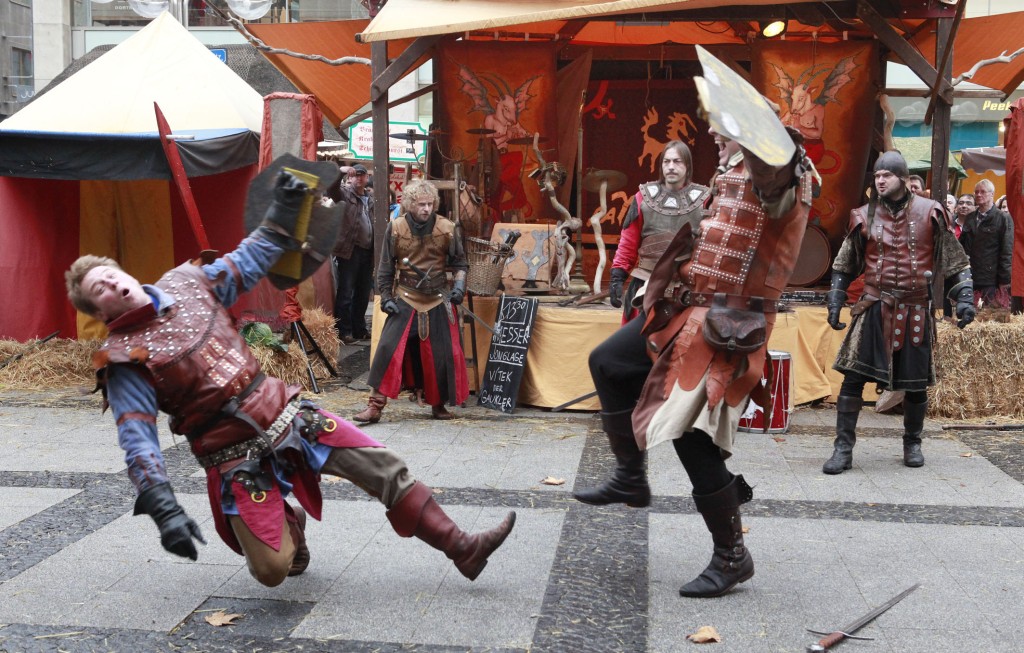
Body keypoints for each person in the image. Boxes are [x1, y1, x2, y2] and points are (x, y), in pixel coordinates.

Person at [64, 165, 514, 588]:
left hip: (288, 415)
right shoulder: (123, 360)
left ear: (123, 272)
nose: (111, 284)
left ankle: (463, 548)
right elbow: (137, 438)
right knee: (272, 570)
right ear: (98, 311)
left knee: (385, 467)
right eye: (99, 289)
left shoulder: (187, 282)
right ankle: (290, 526)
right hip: (232, 453)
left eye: (110, 275)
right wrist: (161, 502)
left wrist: (284, 211)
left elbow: (250, 258)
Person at [577, 117, 815, 599]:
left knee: (691, 439)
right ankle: (630, 477)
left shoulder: (780, 171)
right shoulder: (733, 172)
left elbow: (778, 186)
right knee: (608, 362)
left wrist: (768, 139)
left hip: (728, 323)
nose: (712, 134)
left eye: (723, 124)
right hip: (687, 310)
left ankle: (731, 555)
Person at [823, 151, 974, 475]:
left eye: (886, 175)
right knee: (852, 378)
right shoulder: (863, 214)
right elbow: (845, 263)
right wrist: (835, 300)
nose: (880, 180)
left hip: (915, 309)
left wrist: (964, 299)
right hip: (873, 307)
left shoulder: (931, 212)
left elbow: (955, 260)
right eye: (877, 175)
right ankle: (842, 449)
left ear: (904, 179)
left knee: (915, 385)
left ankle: (912, 443)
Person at [354, 178, 469, 423]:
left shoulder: (447, 228)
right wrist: (386, 297)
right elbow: (385, 267)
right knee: (387, 349)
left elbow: (460, 264)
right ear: (409, 204)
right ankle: (375, 405)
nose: (426, 209)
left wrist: (459, 288)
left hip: (438, 296)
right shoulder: (396, 228)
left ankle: (437, 404)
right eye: (421, 204)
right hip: (406, 295)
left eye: (430, 204)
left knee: (441, 354)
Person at [608, 141, 710, 322]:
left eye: (677, 161)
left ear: (687, 165)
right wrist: (617, 277)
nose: (671, 166)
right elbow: (628, 242)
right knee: (636, 338)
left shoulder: (705, 200)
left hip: (685, 291)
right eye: (666, 161)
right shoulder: (643, 197)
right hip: (645, 285)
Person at [329, 164, 375, 344]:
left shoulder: (371, 199)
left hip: (368, 250)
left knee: (363, 293)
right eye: (355, 175)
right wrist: (340, 171)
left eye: (362, 175)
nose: (359, 178)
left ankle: (359, 329)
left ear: (367, 178)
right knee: (346, 291)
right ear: (350, 178)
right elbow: (331, 188)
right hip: (350, 250)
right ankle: (344, 330)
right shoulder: (344, 194)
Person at [960, 179, 1013, 308]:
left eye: (983, 192)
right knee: (967, 314)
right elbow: (961, 246)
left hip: (990, 279)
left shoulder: (1003, 218)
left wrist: (1004, 280)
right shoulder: (970, 217)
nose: (978, 194)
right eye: (976, 192)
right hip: (969, 276)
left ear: (992, 194)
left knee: (987, 315)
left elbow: (1007, 251)